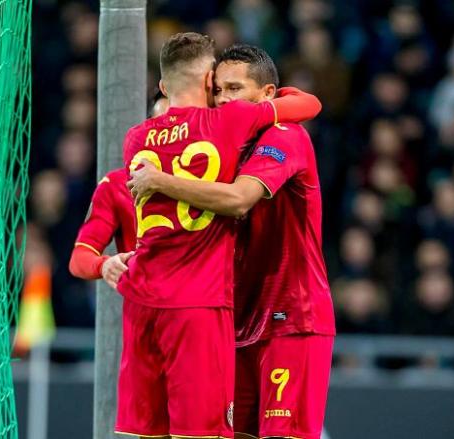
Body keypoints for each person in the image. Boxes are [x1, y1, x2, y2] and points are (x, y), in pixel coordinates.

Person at [117, 33, 322, 439]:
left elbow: (238, 199)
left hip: (289, 313)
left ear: (265, 95)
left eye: (235, 89)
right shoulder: (224, 135)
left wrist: (160, 180)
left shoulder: (284, 136)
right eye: (218, 89)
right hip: (234, 313)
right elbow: (309, 102)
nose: (225, 98)